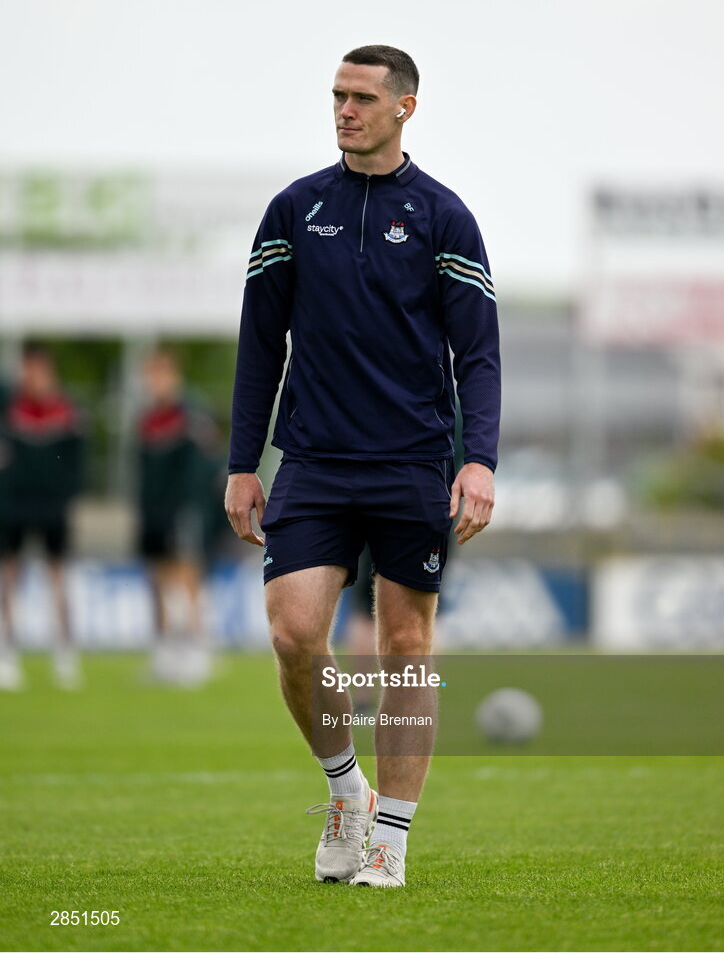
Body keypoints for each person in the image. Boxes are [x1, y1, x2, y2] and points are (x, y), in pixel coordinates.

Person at [225, 45, 500, 887]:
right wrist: (243, 462)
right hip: (312, 458)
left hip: (414, 461)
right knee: (293, 633)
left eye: (360, 97)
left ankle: (391, 837)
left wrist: (478, 459)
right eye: (337, 95)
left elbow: (478, 354)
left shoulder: (443, 216)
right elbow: (258, 343)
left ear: (403, 108)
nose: (343, 109)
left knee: (407, 646)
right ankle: (347, 790)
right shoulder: (295, 208)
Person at [0, 343, 85, 689]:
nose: (30, 376)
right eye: (26, 369)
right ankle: (7, 652)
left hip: (52, 507)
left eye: (37, 369)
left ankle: (64, 653)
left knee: (58, 579)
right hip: (15, 505)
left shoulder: (66, 411)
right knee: (9, 578)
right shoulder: (9, 406)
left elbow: (76, 465)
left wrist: (67, 499)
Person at [135, 348, 214, 686]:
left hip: (184, 508)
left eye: (161, 374)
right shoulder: (146, 419)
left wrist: (193, 507)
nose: (156, 382)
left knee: (187, 578)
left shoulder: (191, 414)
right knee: (159, 580)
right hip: (153, 510)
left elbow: (205, 466)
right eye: (151, 375)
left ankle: (197, 650)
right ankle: (166, 650)